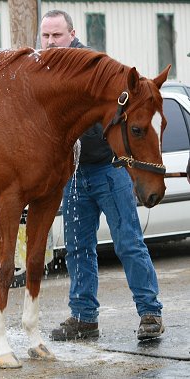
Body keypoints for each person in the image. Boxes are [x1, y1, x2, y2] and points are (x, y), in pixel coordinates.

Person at [40, 10, 165, 341]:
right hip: (75, 174)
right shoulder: (45, 72)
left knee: (128, 242)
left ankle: (150, 312)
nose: (51, 42)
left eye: (57, 35)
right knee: (78, 247)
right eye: (46, 36)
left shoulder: (94, 69)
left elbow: (118, 116)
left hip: (109, 170)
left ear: (73, 34)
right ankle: (84, 317)